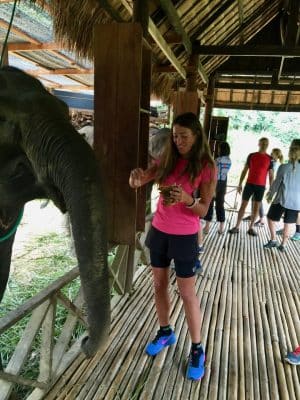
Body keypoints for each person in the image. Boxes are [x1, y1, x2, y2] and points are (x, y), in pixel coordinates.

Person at [129, 112, 216, 380]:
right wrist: (136, 178)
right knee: (158, 285)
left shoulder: (205, 167)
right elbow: (143, 178)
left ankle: (197, 348)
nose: (178, 141)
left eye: (184, 136)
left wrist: (189, 199)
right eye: (175, 136)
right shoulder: (168, 158)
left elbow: (203, 211)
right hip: (159, 231)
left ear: (197, 136)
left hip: (185, 236)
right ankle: (166, 332)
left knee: (187, 293)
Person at [229, 137, 273, 236]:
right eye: (262, 143)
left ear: (268, 145)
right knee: (243, 205)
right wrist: (240, 183)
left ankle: (251, 227)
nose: (264, 145)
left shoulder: (270, 159)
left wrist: (271, 188)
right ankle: (236, 226)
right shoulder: (252, 155)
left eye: (266, 144)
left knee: (256, 208)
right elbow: (245, 170)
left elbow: (271, 175)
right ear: (259, 144)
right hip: (249, 184)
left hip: (261, 186)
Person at [264, 139, 300, 252]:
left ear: (289, 154)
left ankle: (273, 239)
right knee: (288, 224)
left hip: (281, 199)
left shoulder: (283, 167)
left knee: (270, 217)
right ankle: (283, 245)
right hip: (296, 202)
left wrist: (270, 195)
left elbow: (276, 183)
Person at [203, 141, 231, 234]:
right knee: (220, 204)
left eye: (219, 148)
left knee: (210, 203)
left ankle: (207, 227)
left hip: (215, 183)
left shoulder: (217, 160)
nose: (218, 150)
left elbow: (213, 173)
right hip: (223, 183)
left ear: (221, 150)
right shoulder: (229, 160)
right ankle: (221, 228)